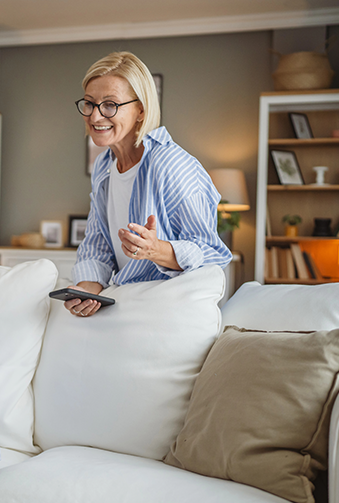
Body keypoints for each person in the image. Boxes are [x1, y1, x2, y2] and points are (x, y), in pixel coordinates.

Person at [65, 51, 231, 318]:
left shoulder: (171, 164)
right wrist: (87, 291)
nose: (95, 117)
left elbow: (211, 254)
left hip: (168, 312)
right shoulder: (104, 167)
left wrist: (157, 250)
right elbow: (98, 246)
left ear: (141, 109)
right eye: (89, 104)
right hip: (127, 305)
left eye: (110, 105)